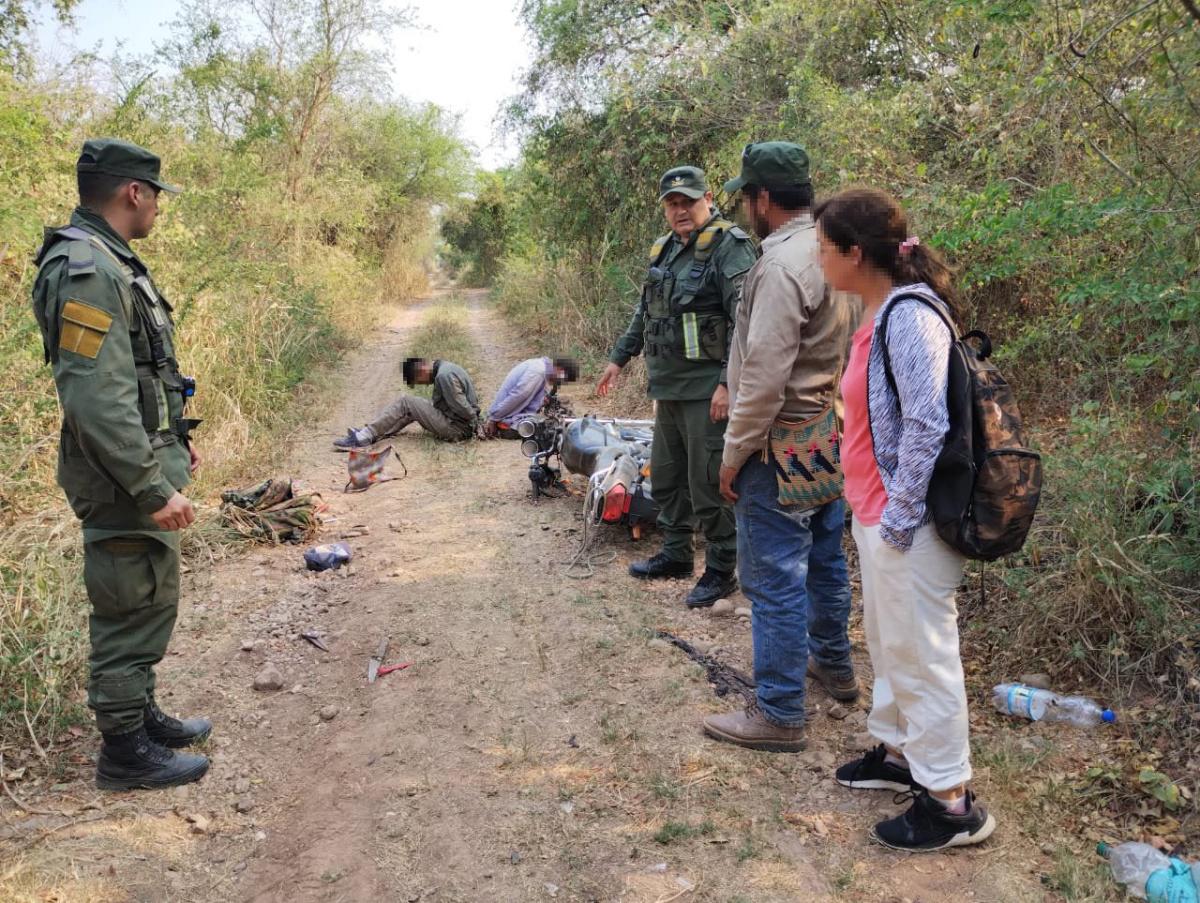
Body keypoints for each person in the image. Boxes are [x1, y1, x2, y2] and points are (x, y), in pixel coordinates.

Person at [814, 187, 996, 851]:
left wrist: (899, 515)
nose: (818, 259)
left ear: (854, 253)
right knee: (892, 646)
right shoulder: (879, 311)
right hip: (880, 513)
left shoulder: (911, 316)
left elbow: (926, 423)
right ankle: (898, 753)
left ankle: (950, 802)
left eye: (823, 248)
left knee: (923, 656)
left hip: (908, 522)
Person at [31, 139, 211, 790]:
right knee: (126, 601)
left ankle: (141, 712)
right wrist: (148, 483)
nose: (158, 206)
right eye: (155, 193)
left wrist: (172, 440)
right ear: (134, 192)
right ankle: (124, 751)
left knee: (147, 594)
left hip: (136, 463)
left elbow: (137, 375)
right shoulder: (87, 269)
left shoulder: (108, 259)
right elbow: (94, 396)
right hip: (118, 480)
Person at [700, 142, 856, 753]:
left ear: (762, 198)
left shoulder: (781, 265)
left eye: (747, 198)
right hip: (828, 433)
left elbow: (763, 378)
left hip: (778, 445)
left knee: (774, 581)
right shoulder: (837, 250)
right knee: (825, 561)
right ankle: (834, 666)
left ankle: (780, 711)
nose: (746, 208)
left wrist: (733, 454)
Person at [596, 165, 757, 608]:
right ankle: (676, 554)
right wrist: (618, 358)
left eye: (688, 201)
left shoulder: (730, 246)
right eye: (672, 204)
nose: (680, 210)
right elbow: (645, 311)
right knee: (667, 476)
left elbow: (745, 321)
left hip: (707, 391)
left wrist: (727, 383)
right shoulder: (665, 249)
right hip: (668, 387)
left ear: (709, 198)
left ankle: (722, 569)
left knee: (709, 482)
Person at [334, 357, 480, 448]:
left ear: (422, 370)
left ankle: (365, 436)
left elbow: (461, 407)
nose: (424, 384)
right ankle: (371, 434)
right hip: (458, 423)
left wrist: (476, 424)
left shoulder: (443, 375)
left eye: (419, 381)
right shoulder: (446, 368)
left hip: (458, 429)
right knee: (411, 408)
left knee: (407, 402)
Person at [482, 356, 579, 438]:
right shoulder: (538, 371)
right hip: (504, 418)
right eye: (562, 379)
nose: (559, 382)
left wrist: (543, 400)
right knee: (550, 430)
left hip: (503, 413)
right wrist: (494, 418)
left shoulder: (541, 366)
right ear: (559, 370)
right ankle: (500, 429)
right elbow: (517, 396)